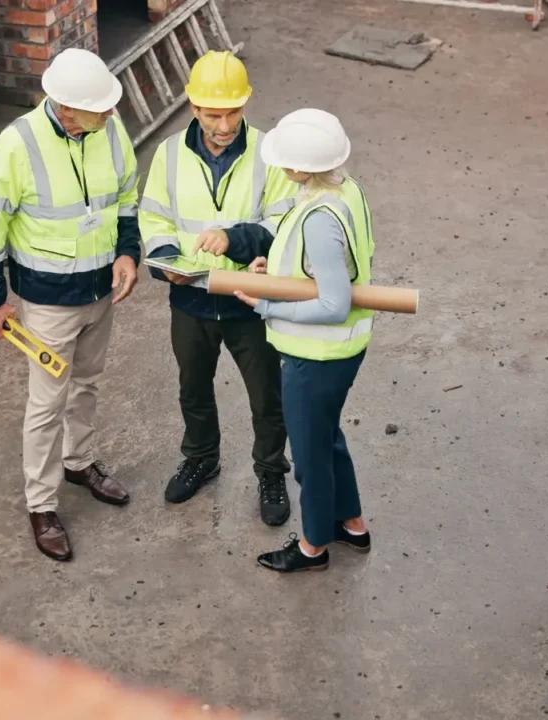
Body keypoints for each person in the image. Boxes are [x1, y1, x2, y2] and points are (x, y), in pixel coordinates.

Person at [0, 48, 141, 562]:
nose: (110, 115)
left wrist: (128, 253)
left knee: (87, 383)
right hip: (48, 302)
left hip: (101, 292)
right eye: (99, 110)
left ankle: (79, 462)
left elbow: (125, 196)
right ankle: (41, 505)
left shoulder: (108, 129)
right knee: (47, 405)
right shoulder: (18, 145)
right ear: (65, 109)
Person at [195, 108, 375, 573]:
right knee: (326, 437)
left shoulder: (319, 215)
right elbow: (315, 263)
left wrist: (269, 305)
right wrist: (273, 266)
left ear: (302, 166)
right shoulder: (341, 189)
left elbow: (333, 303)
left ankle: (314, 545)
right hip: (340, 352)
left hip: (317, 355)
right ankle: (350, 523)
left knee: (310, 454)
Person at [138, 50, 299, 526]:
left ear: (245, 104)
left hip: (251, 299)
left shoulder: (268, 153)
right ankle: (202, 458)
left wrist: (235, 238)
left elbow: (284, 219)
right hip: (190, 297)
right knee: (193, 388)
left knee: (267, 395)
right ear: (193, 107)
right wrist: (164, 261)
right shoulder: (168, 154)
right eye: (214, 113)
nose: (225, 123)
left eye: (233, 111)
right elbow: (153, 216)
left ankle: (271, 471)